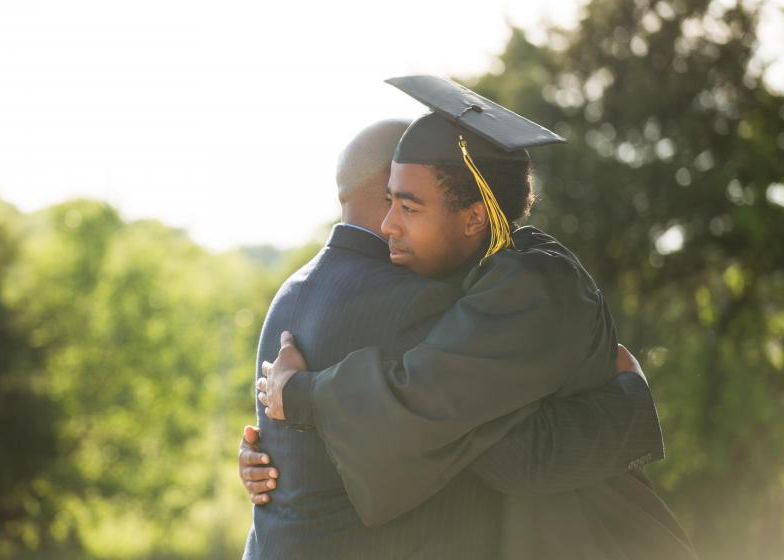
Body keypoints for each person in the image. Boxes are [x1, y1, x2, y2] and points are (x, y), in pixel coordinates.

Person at [257, 76, 697, 559]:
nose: (388, 226)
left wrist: (300, 393)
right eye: (390, 201)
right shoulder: (487, 280)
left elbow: (492, 439)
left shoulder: (532, 284)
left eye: (407, 206)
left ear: (472, 218)